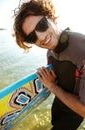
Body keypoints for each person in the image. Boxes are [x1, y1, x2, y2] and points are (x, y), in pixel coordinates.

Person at [13, 0, 85, 129]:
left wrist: (51, 85)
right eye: (31, 37)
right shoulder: (50, 53)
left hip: (72, 117)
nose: (40, 37)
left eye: (41, 25)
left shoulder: (82, 49)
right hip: (58, 111)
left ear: (52, 18)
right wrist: (48, 79)